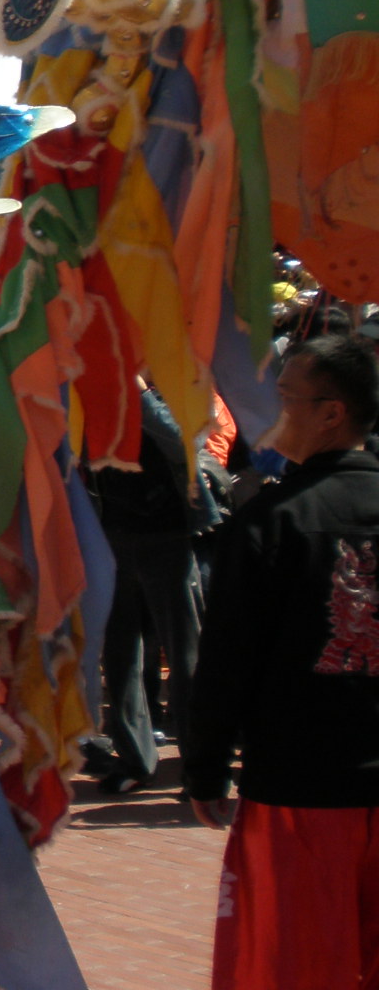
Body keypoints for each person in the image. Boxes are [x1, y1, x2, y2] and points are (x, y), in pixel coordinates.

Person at [186, 335, 379, 988]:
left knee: (294, 967)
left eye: (287, 398)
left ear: (332, 413)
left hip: (303, 793)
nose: (272, 412)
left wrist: (206, 767)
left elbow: (226, 661)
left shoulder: (275, 520)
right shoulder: (274, 516)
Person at [87, 384, 204, 796]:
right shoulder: (94, 391)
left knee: (184, 654)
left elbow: (184, 439)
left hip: (167, 536)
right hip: (112, 535)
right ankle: (134, 758)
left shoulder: (177, 384)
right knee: (120, 656)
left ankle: (198, 765)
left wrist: (138, 392)